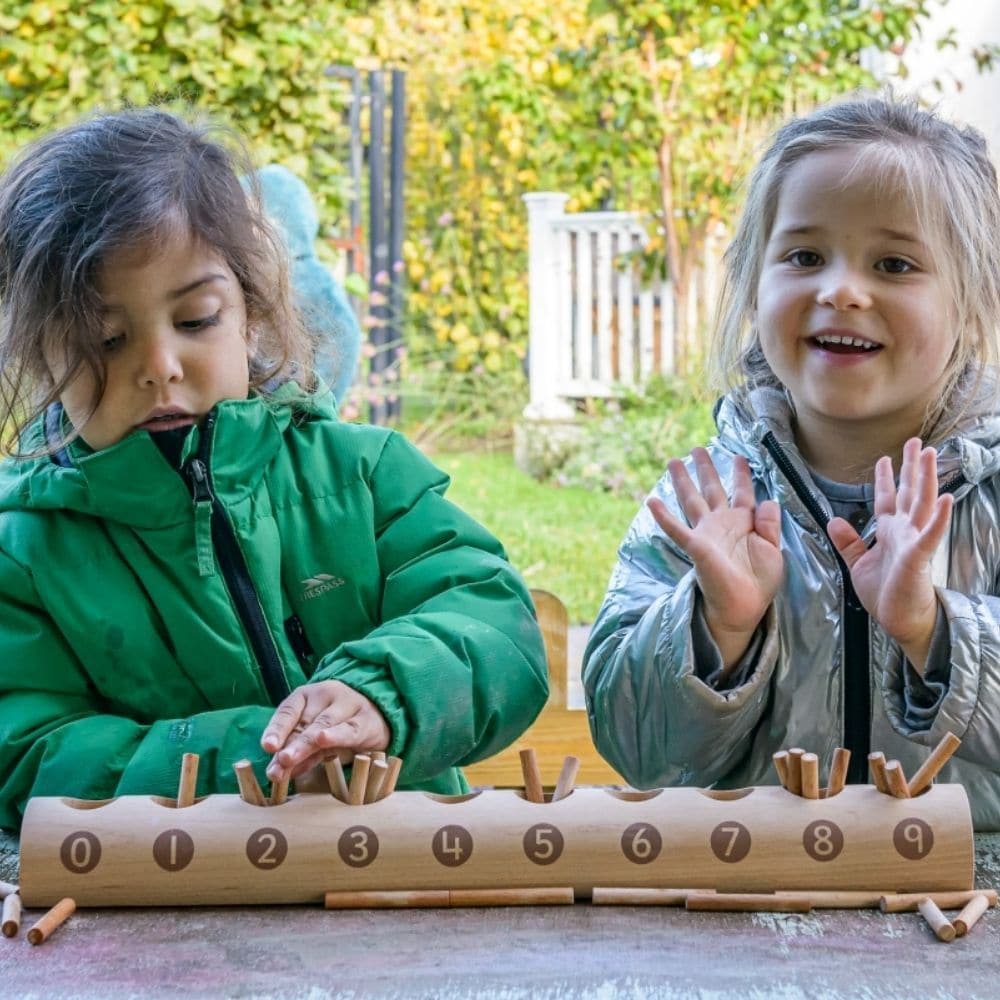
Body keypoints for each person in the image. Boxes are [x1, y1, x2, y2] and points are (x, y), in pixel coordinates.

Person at [0, 108, 548, 830]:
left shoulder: (367, 475)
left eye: (195, 320)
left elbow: (496, 627)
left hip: (408, 899)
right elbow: (27, 756)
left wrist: (381, 692)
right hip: (171, 924)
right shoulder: (23, 553)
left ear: (251, 312)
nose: (159, 367)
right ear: (42, 352)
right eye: (105, 338)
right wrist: (259, 756)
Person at [583, 94, 1000, 830]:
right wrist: (715, 629)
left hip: (971, 911)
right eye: (805, 256)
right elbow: (635, 748)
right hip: (750, 908)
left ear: (972, 301)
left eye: (895, 263)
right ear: (752, 284)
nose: (840, 289)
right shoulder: (708, 504)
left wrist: (934, 630)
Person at [253, 164, 362, 408]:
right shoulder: (253, 275)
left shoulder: (312, 283)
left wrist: (312, 403)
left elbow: (343, 338)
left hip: (295, 405)